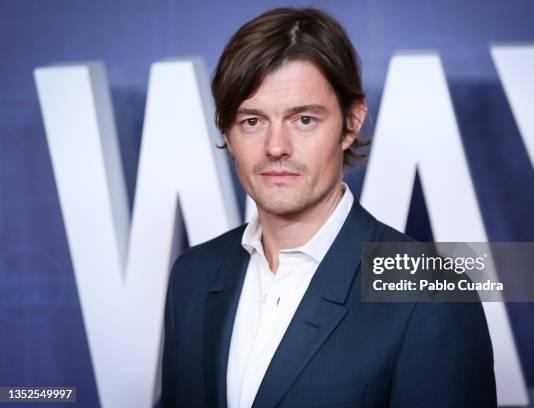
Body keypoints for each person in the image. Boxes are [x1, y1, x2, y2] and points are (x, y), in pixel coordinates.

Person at [161, 7, 496, 407]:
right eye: (252, 121)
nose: (276, 147)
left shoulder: (429, 294)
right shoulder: (192, 276)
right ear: (227, 132)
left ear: (351, 123)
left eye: (303, 120)